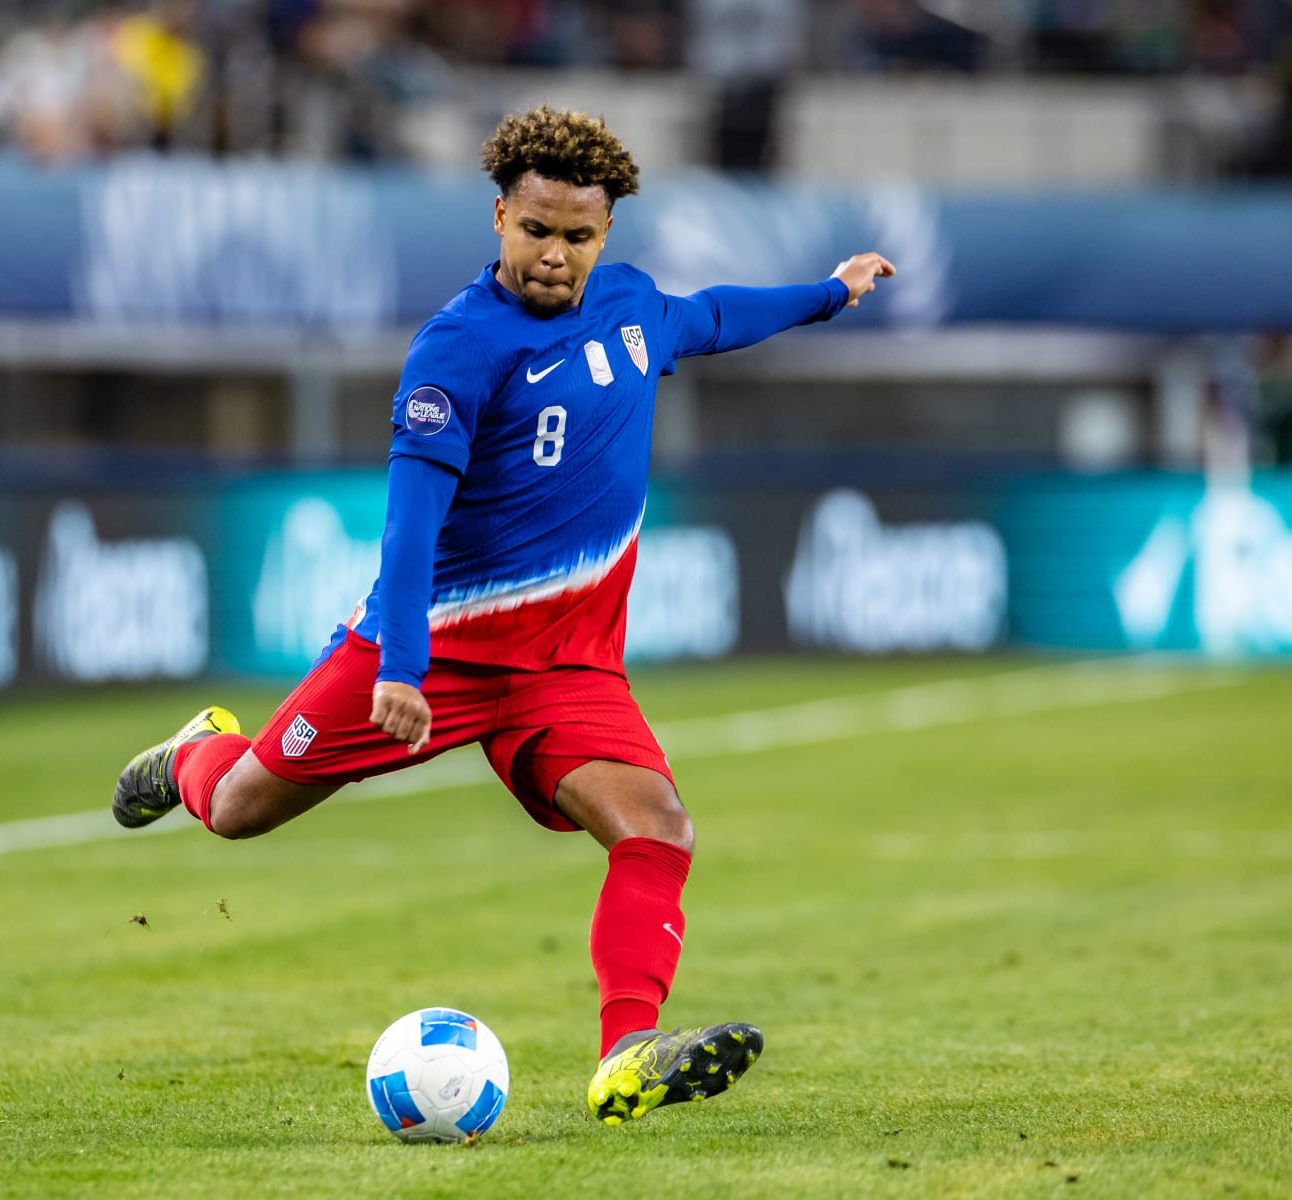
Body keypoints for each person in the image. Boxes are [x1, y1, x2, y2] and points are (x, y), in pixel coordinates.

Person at [111, 105, 894, 1126]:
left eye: (576, 236)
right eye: (536, 231)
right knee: (243, 810)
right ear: (499, 219)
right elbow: (408, 524)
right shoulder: (457, 349)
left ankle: (627, 1055)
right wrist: (397, 662)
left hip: (566, 666)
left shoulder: (631, 307)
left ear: (604, 236)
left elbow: (713, 317)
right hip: (432, 653)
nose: (555, 256)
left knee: (658, 827)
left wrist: (829, 294)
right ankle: (194, 756)